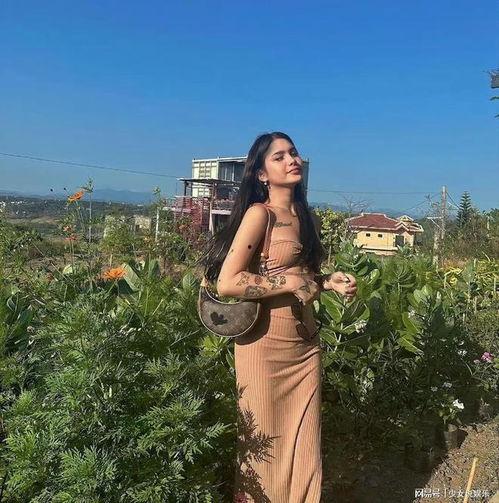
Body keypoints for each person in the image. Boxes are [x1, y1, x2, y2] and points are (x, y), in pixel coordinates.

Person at [200, 131, 357, 503]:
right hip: (264, 346)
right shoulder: (261, 214)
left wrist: (327, 282)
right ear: (261, 174)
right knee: (262, 445)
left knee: (305, 445)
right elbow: (229, 282)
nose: (292, 160)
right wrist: (289, 281)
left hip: (305, 345)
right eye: (279, 156)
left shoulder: (307, 217)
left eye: (294, 152)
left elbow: (303, 277)